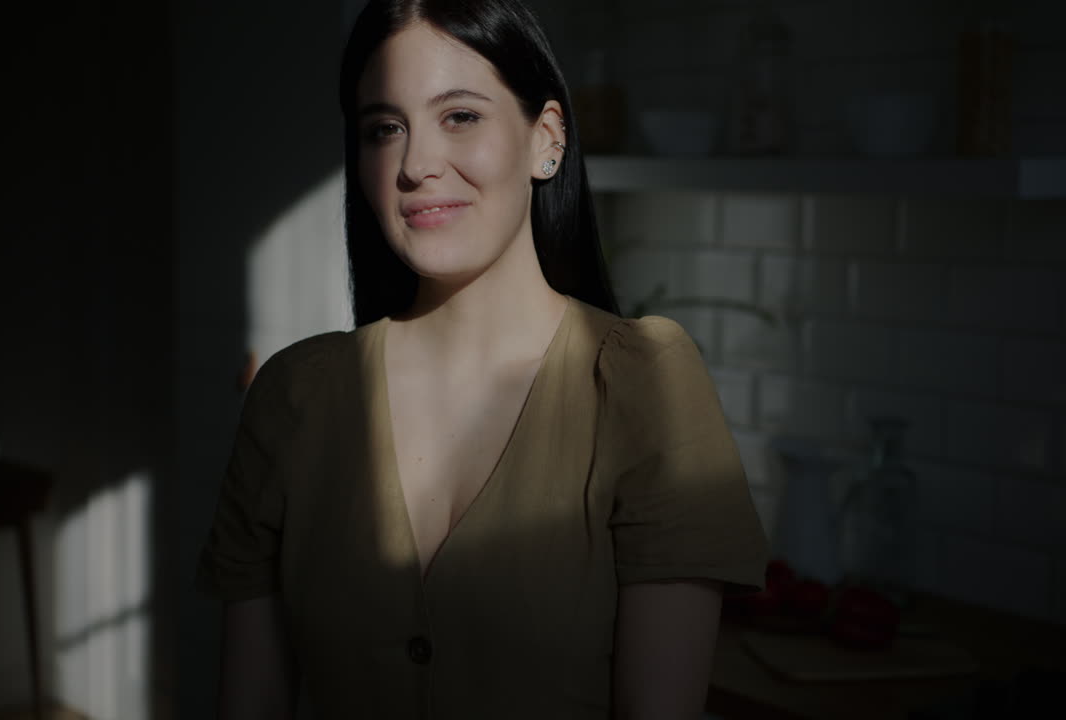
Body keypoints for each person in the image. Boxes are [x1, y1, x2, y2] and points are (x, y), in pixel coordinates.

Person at [195, 0, 768, 717]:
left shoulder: (643, 380)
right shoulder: (293, 397)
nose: (415, 165)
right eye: (384, 129)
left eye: (460, 115)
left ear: (546, 139)